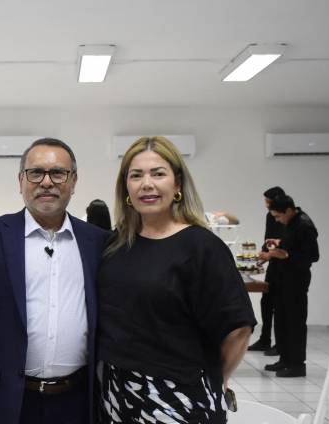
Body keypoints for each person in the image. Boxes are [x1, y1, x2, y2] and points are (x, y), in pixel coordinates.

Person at [97, 136, 256, 423]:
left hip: (180, 397)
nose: (147, 184)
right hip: (116, 394)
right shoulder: (116, 244)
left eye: (158, 174)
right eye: (136, 175)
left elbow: (239, 329)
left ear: (178, 183)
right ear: (126, 187)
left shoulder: (201, 246)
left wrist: (214, 378)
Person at [0, 138, 109, 424]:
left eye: (58, 173)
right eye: (36, 173)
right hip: (8, 400)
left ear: (73, 181)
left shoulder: (98, 242)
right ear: (21, 181)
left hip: (78, 400)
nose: (47, 182)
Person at [263, 195, 319, 377]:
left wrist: (286, 255)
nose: (277, 220)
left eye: (278, 216)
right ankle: (285, 359)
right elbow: (293, 244)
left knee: (295, 323)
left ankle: (297, 365)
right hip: (283, 279)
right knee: (282, 320)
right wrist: (278, 244)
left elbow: (313, 256)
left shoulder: (304, 225)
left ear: (288, 210)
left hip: (296, 280)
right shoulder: (291, 222)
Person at [250, 186, 286, 355]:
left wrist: (269, 254)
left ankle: (281, 344)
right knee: (266, 302)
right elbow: (269, 239)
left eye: (268, 201)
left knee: (280, 307)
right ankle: (265, 340)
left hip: (285, 266)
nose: (266, 204)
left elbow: (284, 242)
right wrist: (262, 256)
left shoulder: (287, 218)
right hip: (273, 264)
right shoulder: (269, 216)